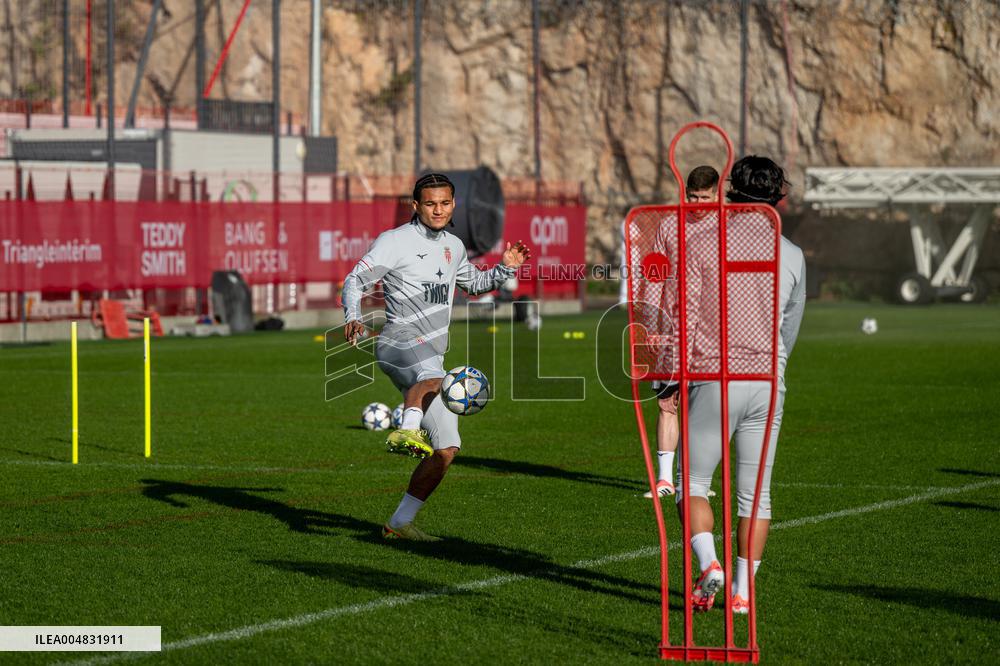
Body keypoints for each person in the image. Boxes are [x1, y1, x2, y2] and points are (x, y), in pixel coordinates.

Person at [342, 173, 530, 542]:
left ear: (454, 204)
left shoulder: (454, 246)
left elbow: (474, 284)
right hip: (397, 341)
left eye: (444, 203)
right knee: (435, 379)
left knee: (446, 449)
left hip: (432, 355)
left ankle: (399, 523)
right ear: (416, 206)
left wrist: (506, 267)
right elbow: (355, 280)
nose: (438, 210)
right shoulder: (394, 241)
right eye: (430, 204)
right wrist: (352, 315)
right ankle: (407, 428)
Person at [679, 156, 806, 614]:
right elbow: (789, 327)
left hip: (716, 375)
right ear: (778, 198)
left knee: (691, 481)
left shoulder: (702, 241)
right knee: (757, 495)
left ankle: (709, 563)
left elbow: (686, 314)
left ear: (730, 191)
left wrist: (672, 377)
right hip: (769, 379)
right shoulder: (792, 254)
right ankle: (743, 594)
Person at [643, 165, 721, 498]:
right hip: (672, 331)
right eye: (693, 197)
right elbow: (654, 277)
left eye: (705, 198)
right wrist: (650, 324)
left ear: (717, 195)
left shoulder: (728, 229)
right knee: (667, 402)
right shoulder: (669, 225)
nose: (698, 204)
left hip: (713, 335)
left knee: (708, 407)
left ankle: (699, 479)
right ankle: (664, 480)